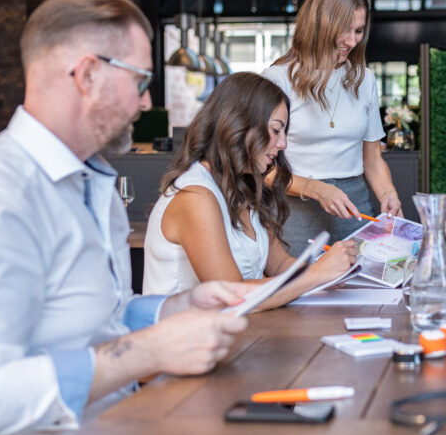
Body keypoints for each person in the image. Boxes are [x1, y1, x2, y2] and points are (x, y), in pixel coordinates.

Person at [0, 0, 324, 435]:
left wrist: (175, 309)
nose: (148, 102)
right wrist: (150, 350)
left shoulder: (91, 182)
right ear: (86, 74)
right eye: (140, 81)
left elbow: (91, 318)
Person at [142, 71, 356, 303]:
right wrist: (317, 273)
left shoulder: (247, 185)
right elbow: (231, 295)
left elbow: (280, 264)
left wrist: (332, 274)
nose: (283, 143)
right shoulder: (195, 195)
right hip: (185, 336)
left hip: (238, 332)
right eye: (276, 130)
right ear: (239, 125)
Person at [262, 0, 402, 256]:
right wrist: (316, 189)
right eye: (344, 30)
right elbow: (263, 169)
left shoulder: (365, 80)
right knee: (300, 294)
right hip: (296, 211)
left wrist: (388, 194)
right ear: (318, 24)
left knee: (362, 294)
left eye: (359, 31)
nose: (351, 41)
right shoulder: (278, 79)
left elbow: (372, 158)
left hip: (355, 211)